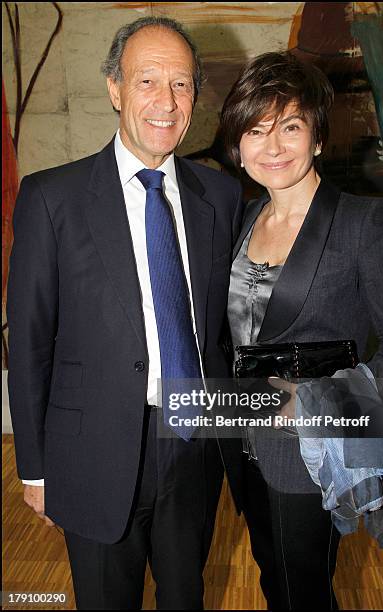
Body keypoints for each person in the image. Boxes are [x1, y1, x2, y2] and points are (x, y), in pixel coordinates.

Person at [6, 17, 243, 610]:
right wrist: (33, 469)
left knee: (187, 595)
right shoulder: (50, 198)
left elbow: (224, 329)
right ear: (114, 89)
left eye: (182, 84)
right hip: (92, 454)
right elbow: (31, 344)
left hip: (193, 445)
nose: (166, 101)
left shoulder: (220, 196)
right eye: (147, 81)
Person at [220, 52, 383, 610]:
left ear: (318, 138)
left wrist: (328, 404)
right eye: (256, 130)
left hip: (313, 454)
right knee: (273, 581)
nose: (272, 147)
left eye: (291, 127)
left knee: (303, 589)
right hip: (241, 443)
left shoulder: (361, 223)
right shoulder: (242, 218)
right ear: (238, 145)